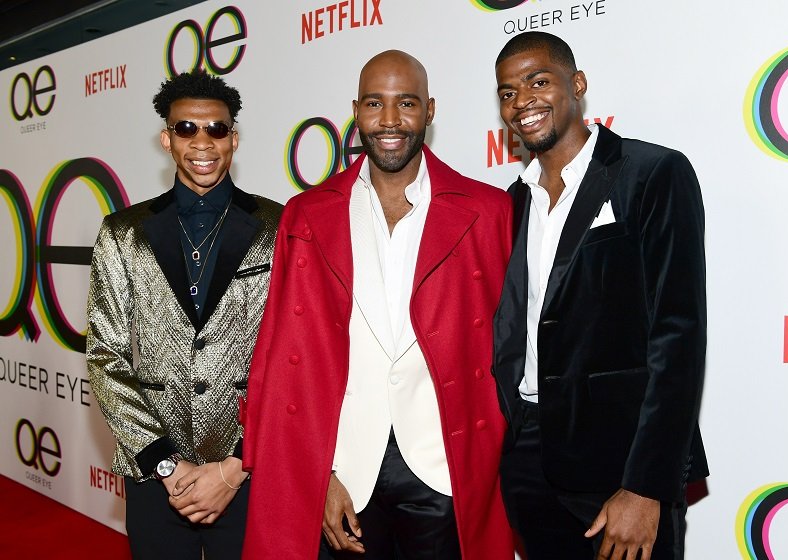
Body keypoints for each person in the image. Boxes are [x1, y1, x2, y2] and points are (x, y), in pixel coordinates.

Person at [241, 50, 515, 560]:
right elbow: (281, 358)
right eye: (374, 103)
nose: (389, 121)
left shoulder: (487, 210)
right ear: (356, 110)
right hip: (346, 467)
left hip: (445, 469)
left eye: (406, 103)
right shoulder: (305, 214)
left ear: (430, 111)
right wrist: (316, 473)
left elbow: (511, 352)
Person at [492, 31, 709, 560]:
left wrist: (646, 485)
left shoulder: (652, 173)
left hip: (621, 464)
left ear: (578, 85)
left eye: (538, 81)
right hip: (528, 460)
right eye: (507, 92)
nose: (523, 101)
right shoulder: (511, 203)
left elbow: (677, 339)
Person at [86, 69, 282, 559]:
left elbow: (291, 357)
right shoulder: (122, 231)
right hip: (154, 474)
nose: (203, 142)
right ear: (166, 139)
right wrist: (165, 464)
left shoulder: (278, 225)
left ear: (233, 138)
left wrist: (237, 463)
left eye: (216, 129)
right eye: (186, 129)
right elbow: (105, 355)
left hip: (247, 471)